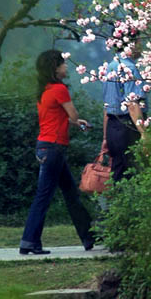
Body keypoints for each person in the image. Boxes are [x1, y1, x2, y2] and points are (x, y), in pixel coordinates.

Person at [19, 49, 95, 255]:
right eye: (63, 64)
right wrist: (76, 119)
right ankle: (29, 241)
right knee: (43, 195)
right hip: (54, 148)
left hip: (46, 145)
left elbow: (58, 116)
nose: (66, 66)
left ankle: (90, 237)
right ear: (55, 68)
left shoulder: (44, 90)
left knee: (71, 193)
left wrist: (76, 122)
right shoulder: (60, 89)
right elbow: (72, 114)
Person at [102, 29, 148, 182]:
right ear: (131, 44)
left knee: (118, 173)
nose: (141, 46)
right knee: (136, 172)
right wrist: (143, 133)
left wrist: (105, 137)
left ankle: (115, 205)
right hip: (128, 127)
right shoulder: (130, 68)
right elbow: (132, 104)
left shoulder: (110, 67)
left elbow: (106, 106)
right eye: (139, 42)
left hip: (112, 128)